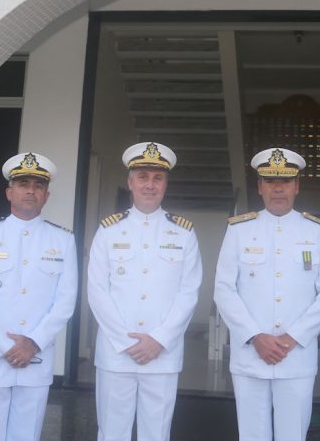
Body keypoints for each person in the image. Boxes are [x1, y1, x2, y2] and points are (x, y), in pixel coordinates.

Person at [214, 147, 320, 441]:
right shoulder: (238, 230)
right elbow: (223, 289)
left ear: (297, 186)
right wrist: (255, 336)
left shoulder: (317, 232)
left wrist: (291, 337)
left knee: (293, 435)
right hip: (250, 353)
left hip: (296, 355)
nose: (278, 188)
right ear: (259, 187)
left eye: (285, 181)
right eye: (270, 181)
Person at [87, 141, 203, 441]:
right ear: (130, 182)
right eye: (143, 177)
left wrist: (159, 341)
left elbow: (189, 292)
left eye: (157, 178)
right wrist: (126, 342)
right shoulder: (108, 230)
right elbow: (97, 290)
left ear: (165, 183)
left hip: (162, 355)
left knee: (157, 434)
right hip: (116, 353)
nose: (150, 185)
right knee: (112, 433)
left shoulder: (183, 232)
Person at [0, 152, 78, 441]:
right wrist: (6, 346)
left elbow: (66, 300)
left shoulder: (62, 239)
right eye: (23, 183)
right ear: (9, 192)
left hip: (35, 358)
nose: (30, 190)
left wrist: (33, 344)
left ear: (46, 196)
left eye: (38, 186)